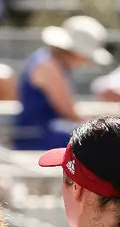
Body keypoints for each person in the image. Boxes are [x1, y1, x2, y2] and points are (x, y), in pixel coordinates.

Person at [11, 15, 111, 151]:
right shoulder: (48, 66)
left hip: (42, 131)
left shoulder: (48, 60)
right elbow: (68, 112)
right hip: (36, 136)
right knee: (99, 142)